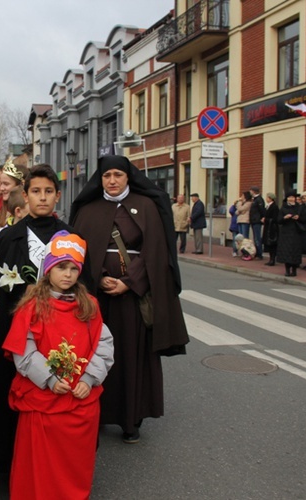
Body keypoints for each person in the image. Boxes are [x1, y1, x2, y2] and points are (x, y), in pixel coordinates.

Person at [0, 164, 84, 473]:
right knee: (13, 393)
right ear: (25, 195)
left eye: (48, 192)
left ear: (57, 196)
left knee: (53, 394)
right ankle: (7, 457)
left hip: (58, 335)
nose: (42, 198)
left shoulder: (70, 237)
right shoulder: (8, 238)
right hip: (16, 332)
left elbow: (82, 286)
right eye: (36, 191)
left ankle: (50, 460)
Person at [70, 155, 189, 444]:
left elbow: (157, 252)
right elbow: (76, 252)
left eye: (118, 175)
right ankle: (95, 410)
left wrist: (129, 282)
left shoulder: (147, 206)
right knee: (93, 352)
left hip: (133, 298)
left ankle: (130, 418)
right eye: (107, 175)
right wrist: (97, 277)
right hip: (97, 297)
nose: (112, 180)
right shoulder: (89, 209)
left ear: (128, 177)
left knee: (130, 355)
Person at [2, 230, 114, 500]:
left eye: (73, 268)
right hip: (43, 396)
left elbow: (104, 345)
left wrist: (89, 379)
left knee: (74, 461)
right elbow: (24, 352)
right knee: (40, 462)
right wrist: (50, 378)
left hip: (80, 398)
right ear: (48, 269)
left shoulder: (90, 306)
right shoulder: (32, 307)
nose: (68, 274)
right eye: (61, 267)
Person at [277, 190, 303, 277]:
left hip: (296, 232)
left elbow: (304, 218)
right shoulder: (283, 208)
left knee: (295, 251)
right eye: (290, 197)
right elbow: (279, 220)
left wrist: (298, 218)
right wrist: (285, 217)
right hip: (286, 232)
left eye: (293, 197)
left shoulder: (299, 207)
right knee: (286, 251)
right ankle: (287, 270)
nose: (291, 199)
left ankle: (294, 270)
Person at [262, 192, 279, 266]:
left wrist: (265, 219)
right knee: (269, 244)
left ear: (270, 198)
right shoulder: (268, 206)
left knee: (272, 244)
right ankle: (271, 259)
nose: (266, 199)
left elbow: (274, 218)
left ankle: (273, 260)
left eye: (267, 197)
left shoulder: (274, 207)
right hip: (268, 227)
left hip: (272, 228)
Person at [249, 186, 266, 259]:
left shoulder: (259, 200)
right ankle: (257, 252)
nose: (250, 192)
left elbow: (262, 209)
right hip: (253, 220)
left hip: (257, 220)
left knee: (257, 237)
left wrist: (262, 217)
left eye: (251, 191)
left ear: (254, 191)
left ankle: (259, 254)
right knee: (255, 237)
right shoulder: (254, 199)